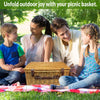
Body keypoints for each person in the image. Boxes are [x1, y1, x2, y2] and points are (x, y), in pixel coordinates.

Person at [50, 23, 100, 89]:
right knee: (62, 79)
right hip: (82, 78)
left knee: (95, 77)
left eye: (82, 36)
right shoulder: (84, 48)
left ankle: (65, 88)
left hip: (95, 78)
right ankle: (87, 86)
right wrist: (75, 72)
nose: (81, 38)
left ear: (89, 36)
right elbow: (80, 66)